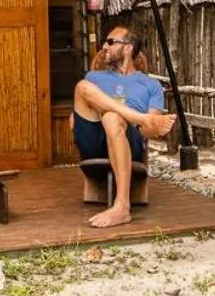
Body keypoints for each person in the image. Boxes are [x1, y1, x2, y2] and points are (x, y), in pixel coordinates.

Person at [71, 24, 177, 228]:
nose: (104, 46)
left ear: (128, 48)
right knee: (82, 87)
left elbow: (150, 130)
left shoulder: (150, 85)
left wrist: (140, 123)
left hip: (128, 142)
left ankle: (121, 207)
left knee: (112, 117)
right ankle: (136, 116)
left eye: (111, 42)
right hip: (93, 141)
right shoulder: (94, 78)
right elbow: (77, 115)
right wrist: (140, 118)